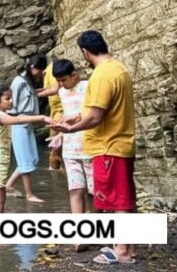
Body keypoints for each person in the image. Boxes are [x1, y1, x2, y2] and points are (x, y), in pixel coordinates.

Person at [50, 31, 136, 265]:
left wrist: (69, 130)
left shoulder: (101, 75)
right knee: (126, 198)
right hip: (122, 142)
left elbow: (95, 117)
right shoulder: (119, 69)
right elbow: (99, 109)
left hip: (109, 145)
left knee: (119, 202)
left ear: (85, 53)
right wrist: (74, 117)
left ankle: (123, 252)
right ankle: (128, 246)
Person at [50, 59, 94, 246]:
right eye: (58, 81)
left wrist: (75, 117)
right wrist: (59, 135)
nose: (60, 84)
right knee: (75, 190)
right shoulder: (61, 91)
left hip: (90, 147)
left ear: (74, 75)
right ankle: (79, 235)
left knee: (93, 193)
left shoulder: (88, 87)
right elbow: (66, 116)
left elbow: (93, 113)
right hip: (70, 149)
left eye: (63, 80)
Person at [0, 87, 51, 213]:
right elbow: (16, 120)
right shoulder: (0, 115)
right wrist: (41, 118)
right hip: (0, 158)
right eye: (7, 98)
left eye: (12, 97)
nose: (12, 101)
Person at [4, 55, 46, 203]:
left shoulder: (28, 82)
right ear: (32, 68)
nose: (41, 74)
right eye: (40, 71)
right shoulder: (19, 82)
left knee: (32, 158)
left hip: (28, 123)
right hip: (19, 122)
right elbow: (11, 103)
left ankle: (7, 186)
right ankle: (29, 194)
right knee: (26, 161)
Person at [37, 61, 65, 170]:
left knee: (54, 146)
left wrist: (36, 95)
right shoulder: (51, 70)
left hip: (60, 112)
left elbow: (56, 89)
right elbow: (49, 88)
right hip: (56, 112)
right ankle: (58, 170)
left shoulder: (50, 71)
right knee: (56, 145)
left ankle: (55, 170)